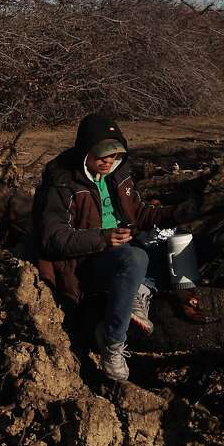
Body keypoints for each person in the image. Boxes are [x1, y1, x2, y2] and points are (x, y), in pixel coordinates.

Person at [33, 113, 193, 381]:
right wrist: (103, 238)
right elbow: (53, 239)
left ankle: (142, 289)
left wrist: (177, 214)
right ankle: (112, 341)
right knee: (135, 259)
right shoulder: (62, 183)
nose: (108, 161)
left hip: (123, 246)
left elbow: (139, 213)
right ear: (85, 151)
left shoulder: (117, 173)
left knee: (180, 241)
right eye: (102, 155)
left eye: (114, 154)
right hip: (86, 262)